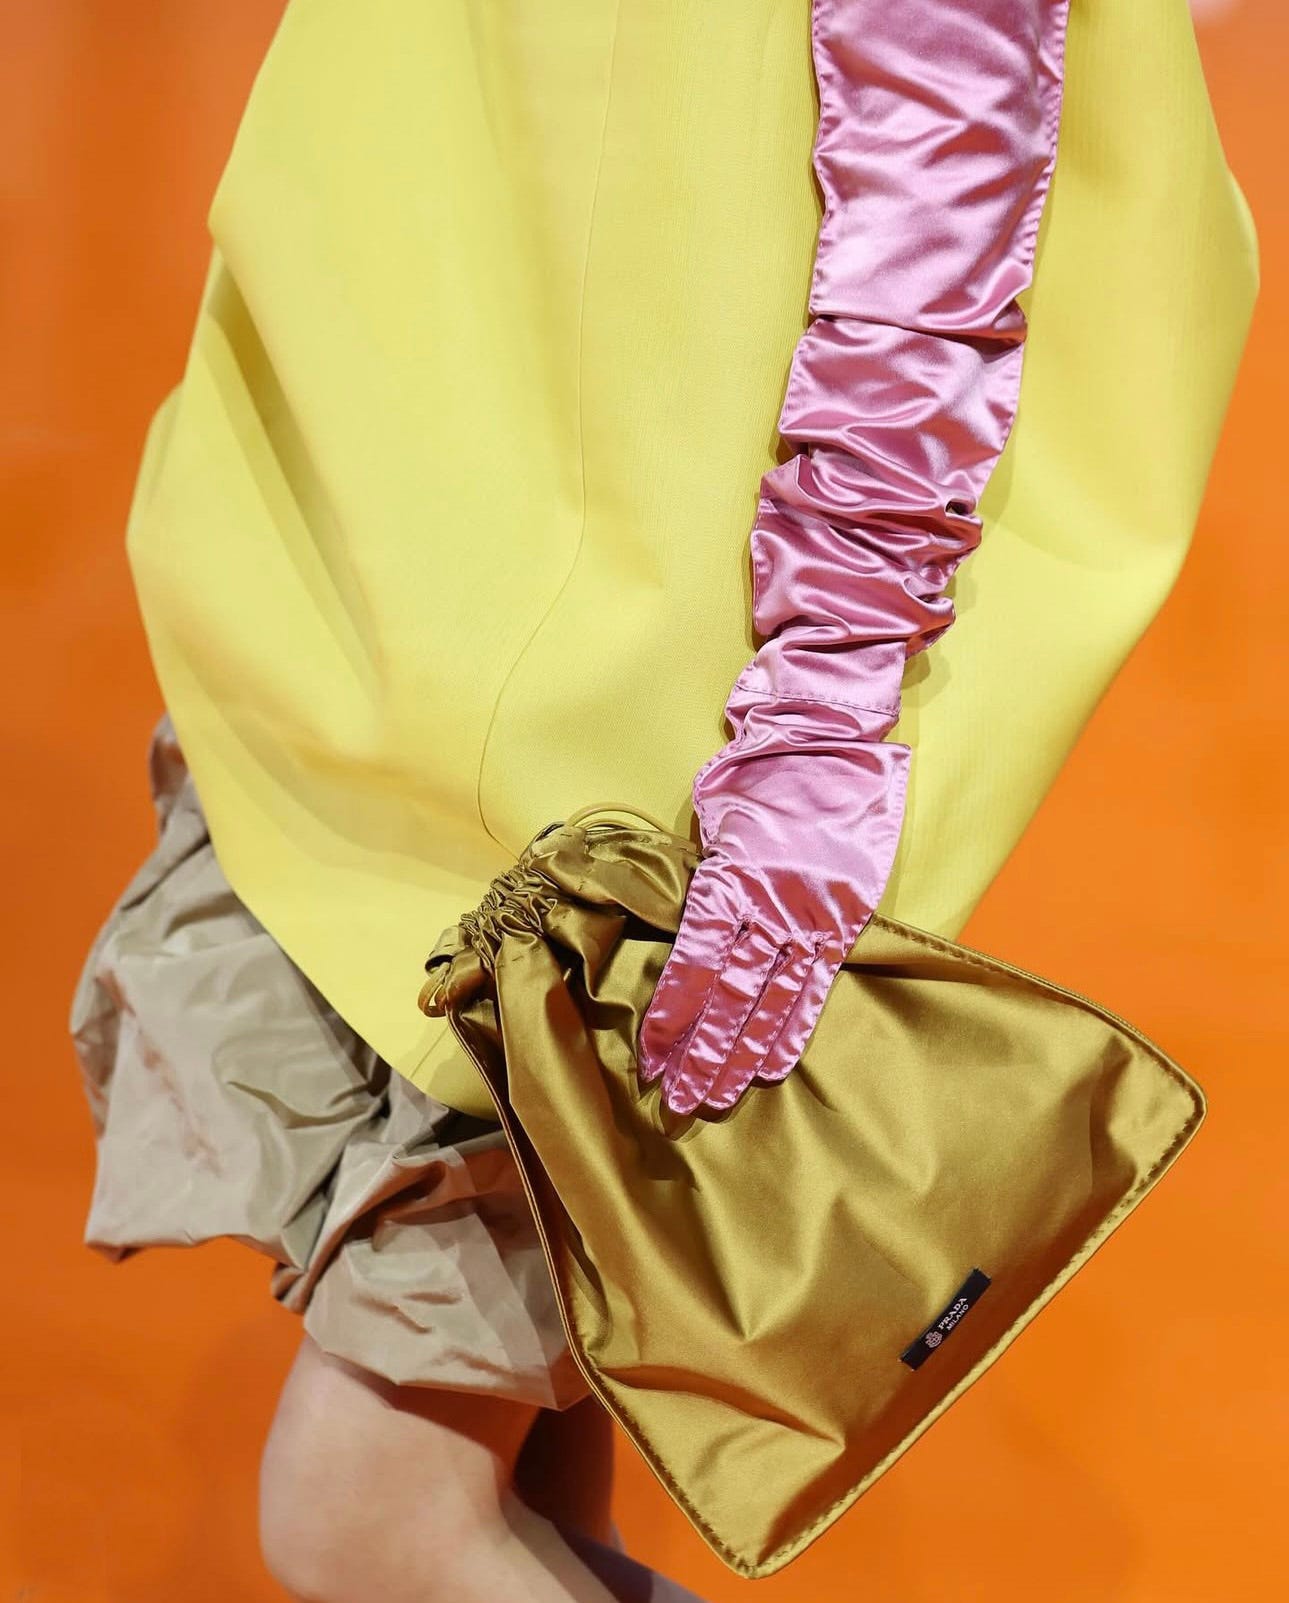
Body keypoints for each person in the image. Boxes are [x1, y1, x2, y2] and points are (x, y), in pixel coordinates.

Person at [69, 1, 1256, 1599]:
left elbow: (944, 154)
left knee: (374, 1520)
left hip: (611, 704)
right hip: (422, 579)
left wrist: (822, 704)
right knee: (515, 1500)